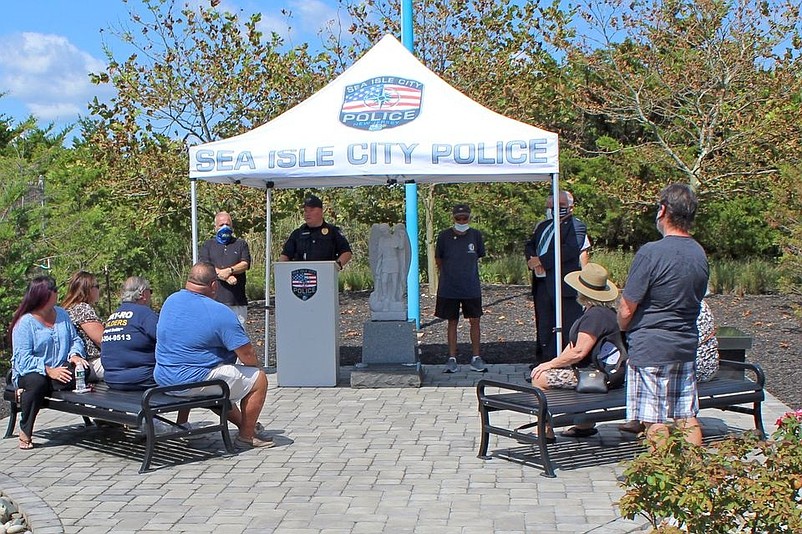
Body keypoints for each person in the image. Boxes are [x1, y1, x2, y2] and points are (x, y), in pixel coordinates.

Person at [617, 183, 709, 448]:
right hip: (684, 343)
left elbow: (626, 309)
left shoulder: (651, 252)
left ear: (663, 210)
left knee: (653, 419)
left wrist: (622, 326)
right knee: (686, 415)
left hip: (651, 345)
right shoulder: (699, 253)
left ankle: (663, 475)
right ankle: (694, 476)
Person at [154, 262, 272, 448]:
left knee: (217, 377)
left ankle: (184, 424)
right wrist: (254, 368)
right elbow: (247, 354)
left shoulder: (171, 301)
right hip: (191, 382)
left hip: (164, 378)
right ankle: (247, 436)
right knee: (258, 380)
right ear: (214, 285)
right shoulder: (219, 312)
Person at [529, 263, 622, 440]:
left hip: (601, 376)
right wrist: (555, 364)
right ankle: (583, 424)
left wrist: (548, 365)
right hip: (604, 372)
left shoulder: (595, 316)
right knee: (552, 371)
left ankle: (545, 429)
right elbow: (573, 347)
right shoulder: (603, 312)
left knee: (539, 378)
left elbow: (579, 351)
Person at [618, 298, 720, 434]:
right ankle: (693, 455)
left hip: (674, 359)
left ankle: (650, 438)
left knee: (653, 418)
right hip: (693, 359)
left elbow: (626, 312)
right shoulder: (693, 303)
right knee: (685, 416)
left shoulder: (664, 307)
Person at [10, 276, 88, 449]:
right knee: (37, 382)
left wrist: (75, 354)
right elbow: (23, 359)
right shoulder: (25, 323)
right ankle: (25, 430)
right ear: (44, 294)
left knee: (82, 369)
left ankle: (33, 391)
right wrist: (48, 370)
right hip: (32, 371)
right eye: (54, 290)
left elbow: (75, 339)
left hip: (61, 368)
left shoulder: (61, 314)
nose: (57, 293)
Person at [525, 191, 590, 362]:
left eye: (559, 206)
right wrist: (532, 260)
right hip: (542, 284)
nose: (554, 210)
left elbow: (570, 249)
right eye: (550, 207)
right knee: (544, 325)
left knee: (566, 325)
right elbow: (530, 245)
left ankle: (563, 361)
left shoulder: (576, 226)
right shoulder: (543, 226)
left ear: (570, 207)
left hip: (563, 287)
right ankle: (543, 362)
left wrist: (542, 261)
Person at [435, 203, 487, 373]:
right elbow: (439, 260)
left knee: (475, 321)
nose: (462, 220)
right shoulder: (444, 236)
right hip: (449, 287)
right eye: (459, 218)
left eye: (465, 218)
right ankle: (452, 357)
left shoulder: (476, 235)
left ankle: (476, 357)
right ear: (453, 218)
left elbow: (478, 256)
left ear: (469, 217)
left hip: (471, 286)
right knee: (452, 321)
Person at [100, 276, 161, 391]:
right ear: (143, 293)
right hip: (141, 379)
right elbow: (167, 340)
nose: (151, 296)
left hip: (111, 379)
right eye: (150, 292)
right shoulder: (144, 314)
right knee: (183, 378)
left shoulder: (113, 315)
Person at [199, 211, 251, 325]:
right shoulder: (208, 245)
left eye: (227, 224)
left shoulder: (241, 244)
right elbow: (205, 266)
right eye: (221, 225)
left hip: (237, 302)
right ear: (215, 227)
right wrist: (224, 277)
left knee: (239, 338)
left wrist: (229, 270)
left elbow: (245, 264)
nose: (225, 227)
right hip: (213, 302)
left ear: (232, 226)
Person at [278, 195, 352, 268]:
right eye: (306, 211)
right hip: (301, 276)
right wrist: (282, 270)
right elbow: (285, 256)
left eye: (311, 210)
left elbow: (346, 253)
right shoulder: (297, 234)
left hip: (325, 275)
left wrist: (335, 268)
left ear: (321, 211)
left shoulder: (333, 231)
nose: (307, 213)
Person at [62, 270, 105, 380]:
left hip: (79, 364)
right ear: (88, 289)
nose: (99, 290)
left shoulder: (67, 309)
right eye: (97, 286)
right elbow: (103, 340)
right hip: (90, 363)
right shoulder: (82, 309)